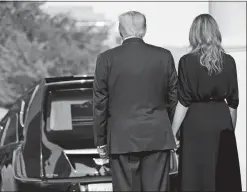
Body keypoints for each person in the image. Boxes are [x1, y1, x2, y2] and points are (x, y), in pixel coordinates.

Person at [93, 11, 178, 191]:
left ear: (120, 31)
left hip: (121, 138)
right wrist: (173, 131)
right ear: (144, 30)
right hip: (157, 136)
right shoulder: (164, 56)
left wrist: (101, 140)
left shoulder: (106, 59)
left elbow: (100, 103)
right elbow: (173, 98)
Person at [171, 14, 242, 192]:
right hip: (221, 119)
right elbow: (233, 102)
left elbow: (183, 101)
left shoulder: (186, 61)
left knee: (195, 174)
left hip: (196, 122)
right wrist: (229, 129)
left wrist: (172, 133)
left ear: (194, 34)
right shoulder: (229, 61)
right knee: (223, 173)